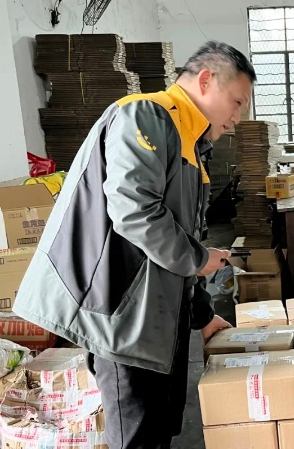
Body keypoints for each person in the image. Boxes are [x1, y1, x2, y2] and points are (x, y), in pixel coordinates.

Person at [13, 41, 256, 448]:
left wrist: (201, 314)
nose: (237, 118)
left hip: (157, 315)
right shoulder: (145, 115)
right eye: (236, 102)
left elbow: (183, 239)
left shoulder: (190, 144)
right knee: (138, 435)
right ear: (205, 80)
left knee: (161, 427)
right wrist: (198, 258)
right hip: (123, 315)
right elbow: (135, 213)